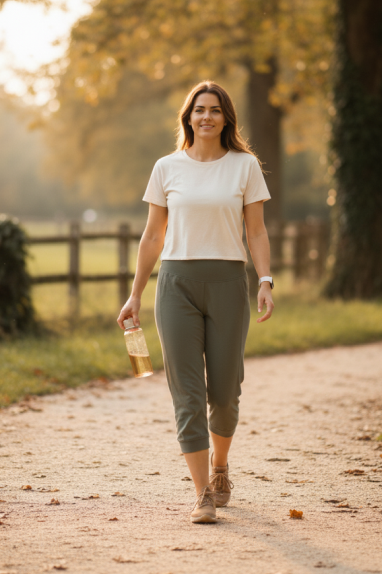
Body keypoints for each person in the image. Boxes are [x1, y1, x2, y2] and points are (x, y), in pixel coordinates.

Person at [117, 80, 275, 524]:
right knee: (187, 394)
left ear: (227, 118)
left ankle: (221, 467)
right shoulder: (166, 167)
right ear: (187, 117)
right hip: (176, 285)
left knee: (224, 393)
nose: (206, 116)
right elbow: (152, 236)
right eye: (198, 109)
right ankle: (203, 492)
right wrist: (135, 294)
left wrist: (264, 280)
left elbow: (257, 231)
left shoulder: (245, 167)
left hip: (227, 283)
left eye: (215, 110)